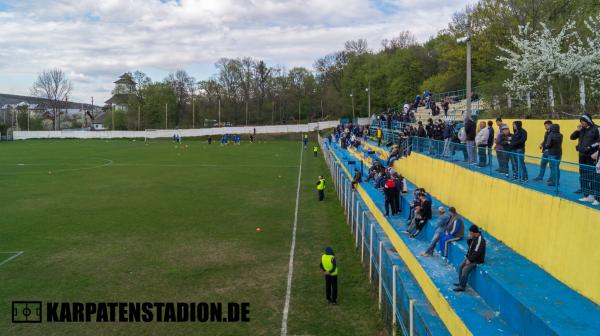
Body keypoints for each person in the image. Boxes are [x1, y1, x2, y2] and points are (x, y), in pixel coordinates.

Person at [571, 114, 600, 204]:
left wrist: (589, 147)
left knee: (593, 177)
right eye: (581, 122)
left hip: (592, 157)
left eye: (583, 122)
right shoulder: (582, 129)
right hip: (582, 156)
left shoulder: (596, 128)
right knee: (583, 176)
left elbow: (598, 142)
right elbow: (572, 137)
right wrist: (577, 130)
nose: (582, 123)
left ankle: (596, 197)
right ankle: (588, 195)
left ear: (588, 121)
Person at [453, 225, 486, 292]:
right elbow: (470, 246)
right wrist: (470, 239)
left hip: (477, 260)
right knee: (461, 267)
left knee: (465, 269)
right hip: (470, 257)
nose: (470, 234)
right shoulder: (474, 237)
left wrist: (469, 260)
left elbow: (476, 252)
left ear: (474, 232)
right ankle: (461, 283)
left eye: (471, 233)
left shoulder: (480, 240)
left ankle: (462, 287)